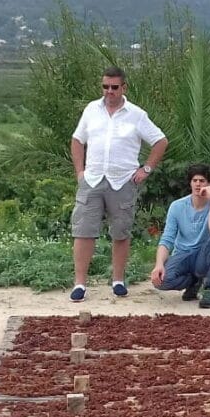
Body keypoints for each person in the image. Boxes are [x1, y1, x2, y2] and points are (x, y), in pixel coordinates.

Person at [70, 66, 168, 302]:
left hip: (123, 181)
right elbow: (77, 140)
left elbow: (160, 141)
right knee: (83, 231)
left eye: (114, 87)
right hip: (93, 179)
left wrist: (146, 169)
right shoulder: (91, 110)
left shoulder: (137, 114)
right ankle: (80, 284)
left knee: (121, 232)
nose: (109, 91)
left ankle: (118, 280)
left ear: (124, 87)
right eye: (105, 86)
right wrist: (80, 172)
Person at [150, 164, 210, 309]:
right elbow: (167, 239)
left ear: (209, 184)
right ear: (190, 183)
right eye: (194, 180)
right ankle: (194, 282)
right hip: (183, 255)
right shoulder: (177, 206)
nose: (198, 184)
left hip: (203, 255)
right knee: (161, 281)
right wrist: (159, 264)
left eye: (202, 181)